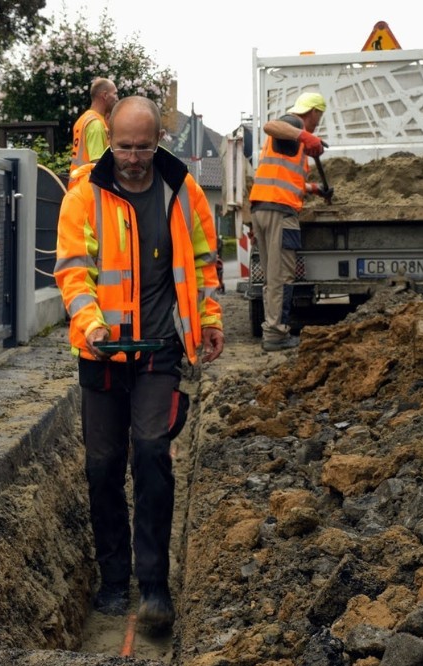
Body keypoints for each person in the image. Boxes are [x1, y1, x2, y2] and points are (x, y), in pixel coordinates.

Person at [54, 96, 224, 629]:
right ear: (112, 141)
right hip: (101, 353)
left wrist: (211, 316)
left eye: (143, 147)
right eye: (124, 146)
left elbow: (203, 259)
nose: (132, 157)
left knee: (151, 454)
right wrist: (92, 325)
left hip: (158, 351)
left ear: (158, 143)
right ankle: (111, 580)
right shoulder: (84, 195)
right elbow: (73, 271)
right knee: (103, 467)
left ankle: (153, 584)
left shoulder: (182, 190)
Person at [248, 91, 330, 352]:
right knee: (282, 278)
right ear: (314, 112)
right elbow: (270, 125)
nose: (317, 123)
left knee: (272, 278)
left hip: (263, 208)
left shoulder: (289, 139)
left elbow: (285, 177)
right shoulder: (293, 123)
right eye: (318, 117)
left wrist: (314, 188)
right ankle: (276, 335)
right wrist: (306, 135)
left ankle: (271, 330)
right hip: (279, 213)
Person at [67, 77, 119, 190]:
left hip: (78, 188)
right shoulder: (95, 124)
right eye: (115, 94)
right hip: (90, 190)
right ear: (105, 95)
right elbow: (98, 165)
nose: (117, 98)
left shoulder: (83, 119)